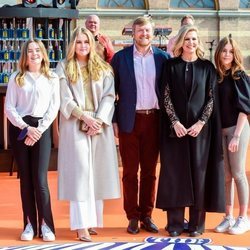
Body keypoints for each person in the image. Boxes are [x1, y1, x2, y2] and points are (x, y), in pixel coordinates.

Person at [156, 25, 225, 237]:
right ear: (180, 42)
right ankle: (175, 224)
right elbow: (165, 95)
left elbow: (212, 98)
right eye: (187, 39)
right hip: (174, 132)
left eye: (194, 39)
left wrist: (200, 123)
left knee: (199, 176)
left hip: (200, 133)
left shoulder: (207, 68)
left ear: (198, 42)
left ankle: (196, 225)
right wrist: (175, 122)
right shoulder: (170, 66)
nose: (191, 43)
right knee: (175, 175)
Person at [56, 27, 120, 242]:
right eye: (79, 42)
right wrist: (85, 117)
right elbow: (64, 98)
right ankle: (80, 225)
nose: (82, 45)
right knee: (80, 174)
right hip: (75, 123)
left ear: (91, 45)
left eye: (86, 42)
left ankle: (92, 222)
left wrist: (99, 120)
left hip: (99, 124)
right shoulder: (64, 67)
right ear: (73, 44)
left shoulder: (103, 67)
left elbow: (110, 96)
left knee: (97, 174)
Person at [111, 16, 171, 235]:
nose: (144, 34)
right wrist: (115, 121)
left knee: (149, 172)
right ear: (133, 33)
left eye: (147, 31)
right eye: (140, 31)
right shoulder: (120, 58)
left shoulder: (163, 58)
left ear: (152, 33)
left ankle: (146, 214)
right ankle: (132, 216)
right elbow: (112, 94)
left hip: (154, 120)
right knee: (129, 172)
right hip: (130, 120)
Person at [4, 39, 60, 242]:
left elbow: (54, 108)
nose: (34, 53)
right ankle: (29, 224)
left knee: (40, 178)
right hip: (20, 128)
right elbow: (9, 108)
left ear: (43, 53)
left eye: (38, 50)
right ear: (25, 56)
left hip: (41, 129)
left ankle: (46, 225)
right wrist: (26, 128)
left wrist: (38, 130)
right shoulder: (17, 77)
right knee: (26, 178)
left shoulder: (52, 77)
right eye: (30, 51)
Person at [214, 36, 250, 235]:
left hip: (238, 129)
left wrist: (236, 136)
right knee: (225, 176)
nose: (227, 54)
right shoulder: (217, 76)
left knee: (238, 173)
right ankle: (228, 217)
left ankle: (244, 218)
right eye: (223, 50)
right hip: (221, 131)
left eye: (230, 51)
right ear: (218, 52)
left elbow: (245, 108)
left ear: (235, 54)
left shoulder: (240, 76)